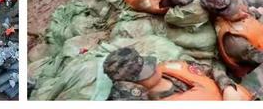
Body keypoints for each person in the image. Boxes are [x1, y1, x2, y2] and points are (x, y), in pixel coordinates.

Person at [104, 47, 253, 100]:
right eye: (145, 73)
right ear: (132, 84)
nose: (154, 68)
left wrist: (228, 88)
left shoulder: (170, 67)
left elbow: (211, 69)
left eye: (148, 64)